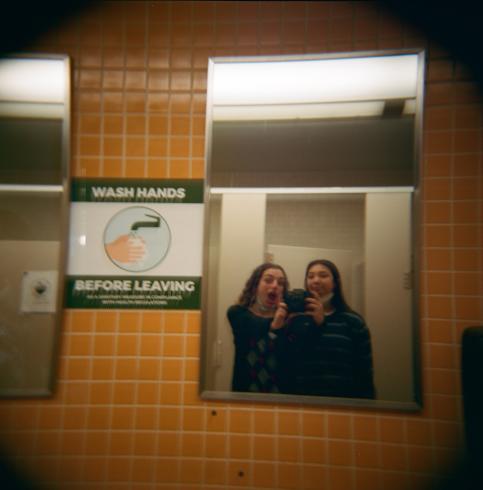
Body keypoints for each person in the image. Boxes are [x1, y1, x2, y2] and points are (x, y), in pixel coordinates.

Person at [284, 259, 376, 399]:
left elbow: (364, 373)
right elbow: (287, 365)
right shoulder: (296, 320)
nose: (316, 280)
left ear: (335, 283)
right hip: (301, 403)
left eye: (323, 275)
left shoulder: (353, 322)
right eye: (310, 276)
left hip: (343, 404)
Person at [227, 263, 290, 393]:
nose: (275, 285)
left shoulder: (288, 319)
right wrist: (274, 326)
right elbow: (253, 327)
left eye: (281, 283)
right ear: (255, 285)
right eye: (268, 280)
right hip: (244, 394)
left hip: (281, 397)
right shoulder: (237, 313)